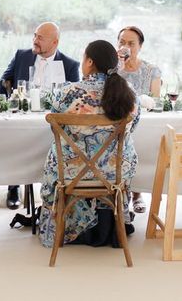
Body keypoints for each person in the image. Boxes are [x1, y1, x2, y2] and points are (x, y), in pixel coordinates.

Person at [38, 40, 139, 248]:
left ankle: (66, 227)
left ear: (90, 61)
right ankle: (111, 224)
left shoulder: (69, 92)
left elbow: (56, 128)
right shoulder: (129, 94)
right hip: (114, 172)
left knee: (55, 157)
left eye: (83, 58)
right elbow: (132, 126)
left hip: (73, 173)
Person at [0, 21, 80, 209]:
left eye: (40, 38)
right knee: (14, 138)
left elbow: (75, 96)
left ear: (55, 43)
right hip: (23, 115)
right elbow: (4, 80)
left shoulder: (70, 65)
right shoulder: (21, 56)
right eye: (34, 35)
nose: (34, 40)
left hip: (53, 120)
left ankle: (53, 189)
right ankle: (13, 185)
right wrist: (10, 94)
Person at [116, 25, 160, 215]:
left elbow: (156, 100)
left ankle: (138, 193)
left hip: (146, 122)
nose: (126, 47)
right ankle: (125, 192)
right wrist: (117, 69)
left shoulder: (151, 70)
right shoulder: (112, 70)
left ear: (140, 46)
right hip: (120, 123)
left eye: (131, 43)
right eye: (122, 42)